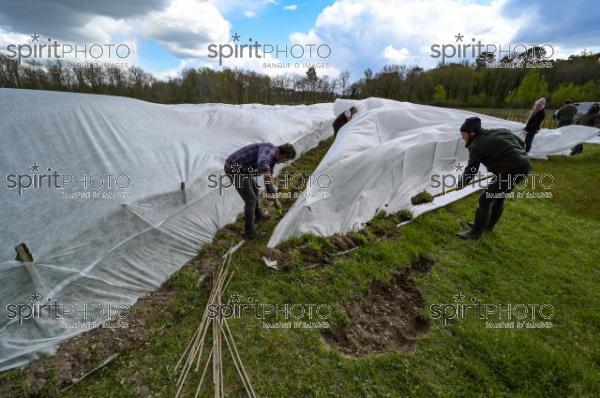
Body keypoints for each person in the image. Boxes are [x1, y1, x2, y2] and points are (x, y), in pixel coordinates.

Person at [456, 117, 531, 239]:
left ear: (472, 133)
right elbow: (522, 144)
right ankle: (488, 226)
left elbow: (472, 169)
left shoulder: (476, 145)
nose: (462, 137)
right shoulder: (502, 131)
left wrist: (461, 184)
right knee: (499, 196)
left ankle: (476, 232)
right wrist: (513, 158)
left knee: (485, 199)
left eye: (464, 134)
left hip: (510, 171)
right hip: (524, 166)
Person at [224, 142, 296, 239]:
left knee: (255, 189)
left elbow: (268, 182)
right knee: (250, 200)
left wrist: (275, 199)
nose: (285, 162)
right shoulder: (269, 149)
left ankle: (258, 215)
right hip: (234, 168)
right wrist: (274, 197)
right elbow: (262, 162)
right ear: (283, 155)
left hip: (244, 170)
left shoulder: (273, 159)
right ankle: (249, 232)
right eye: (286, 159)